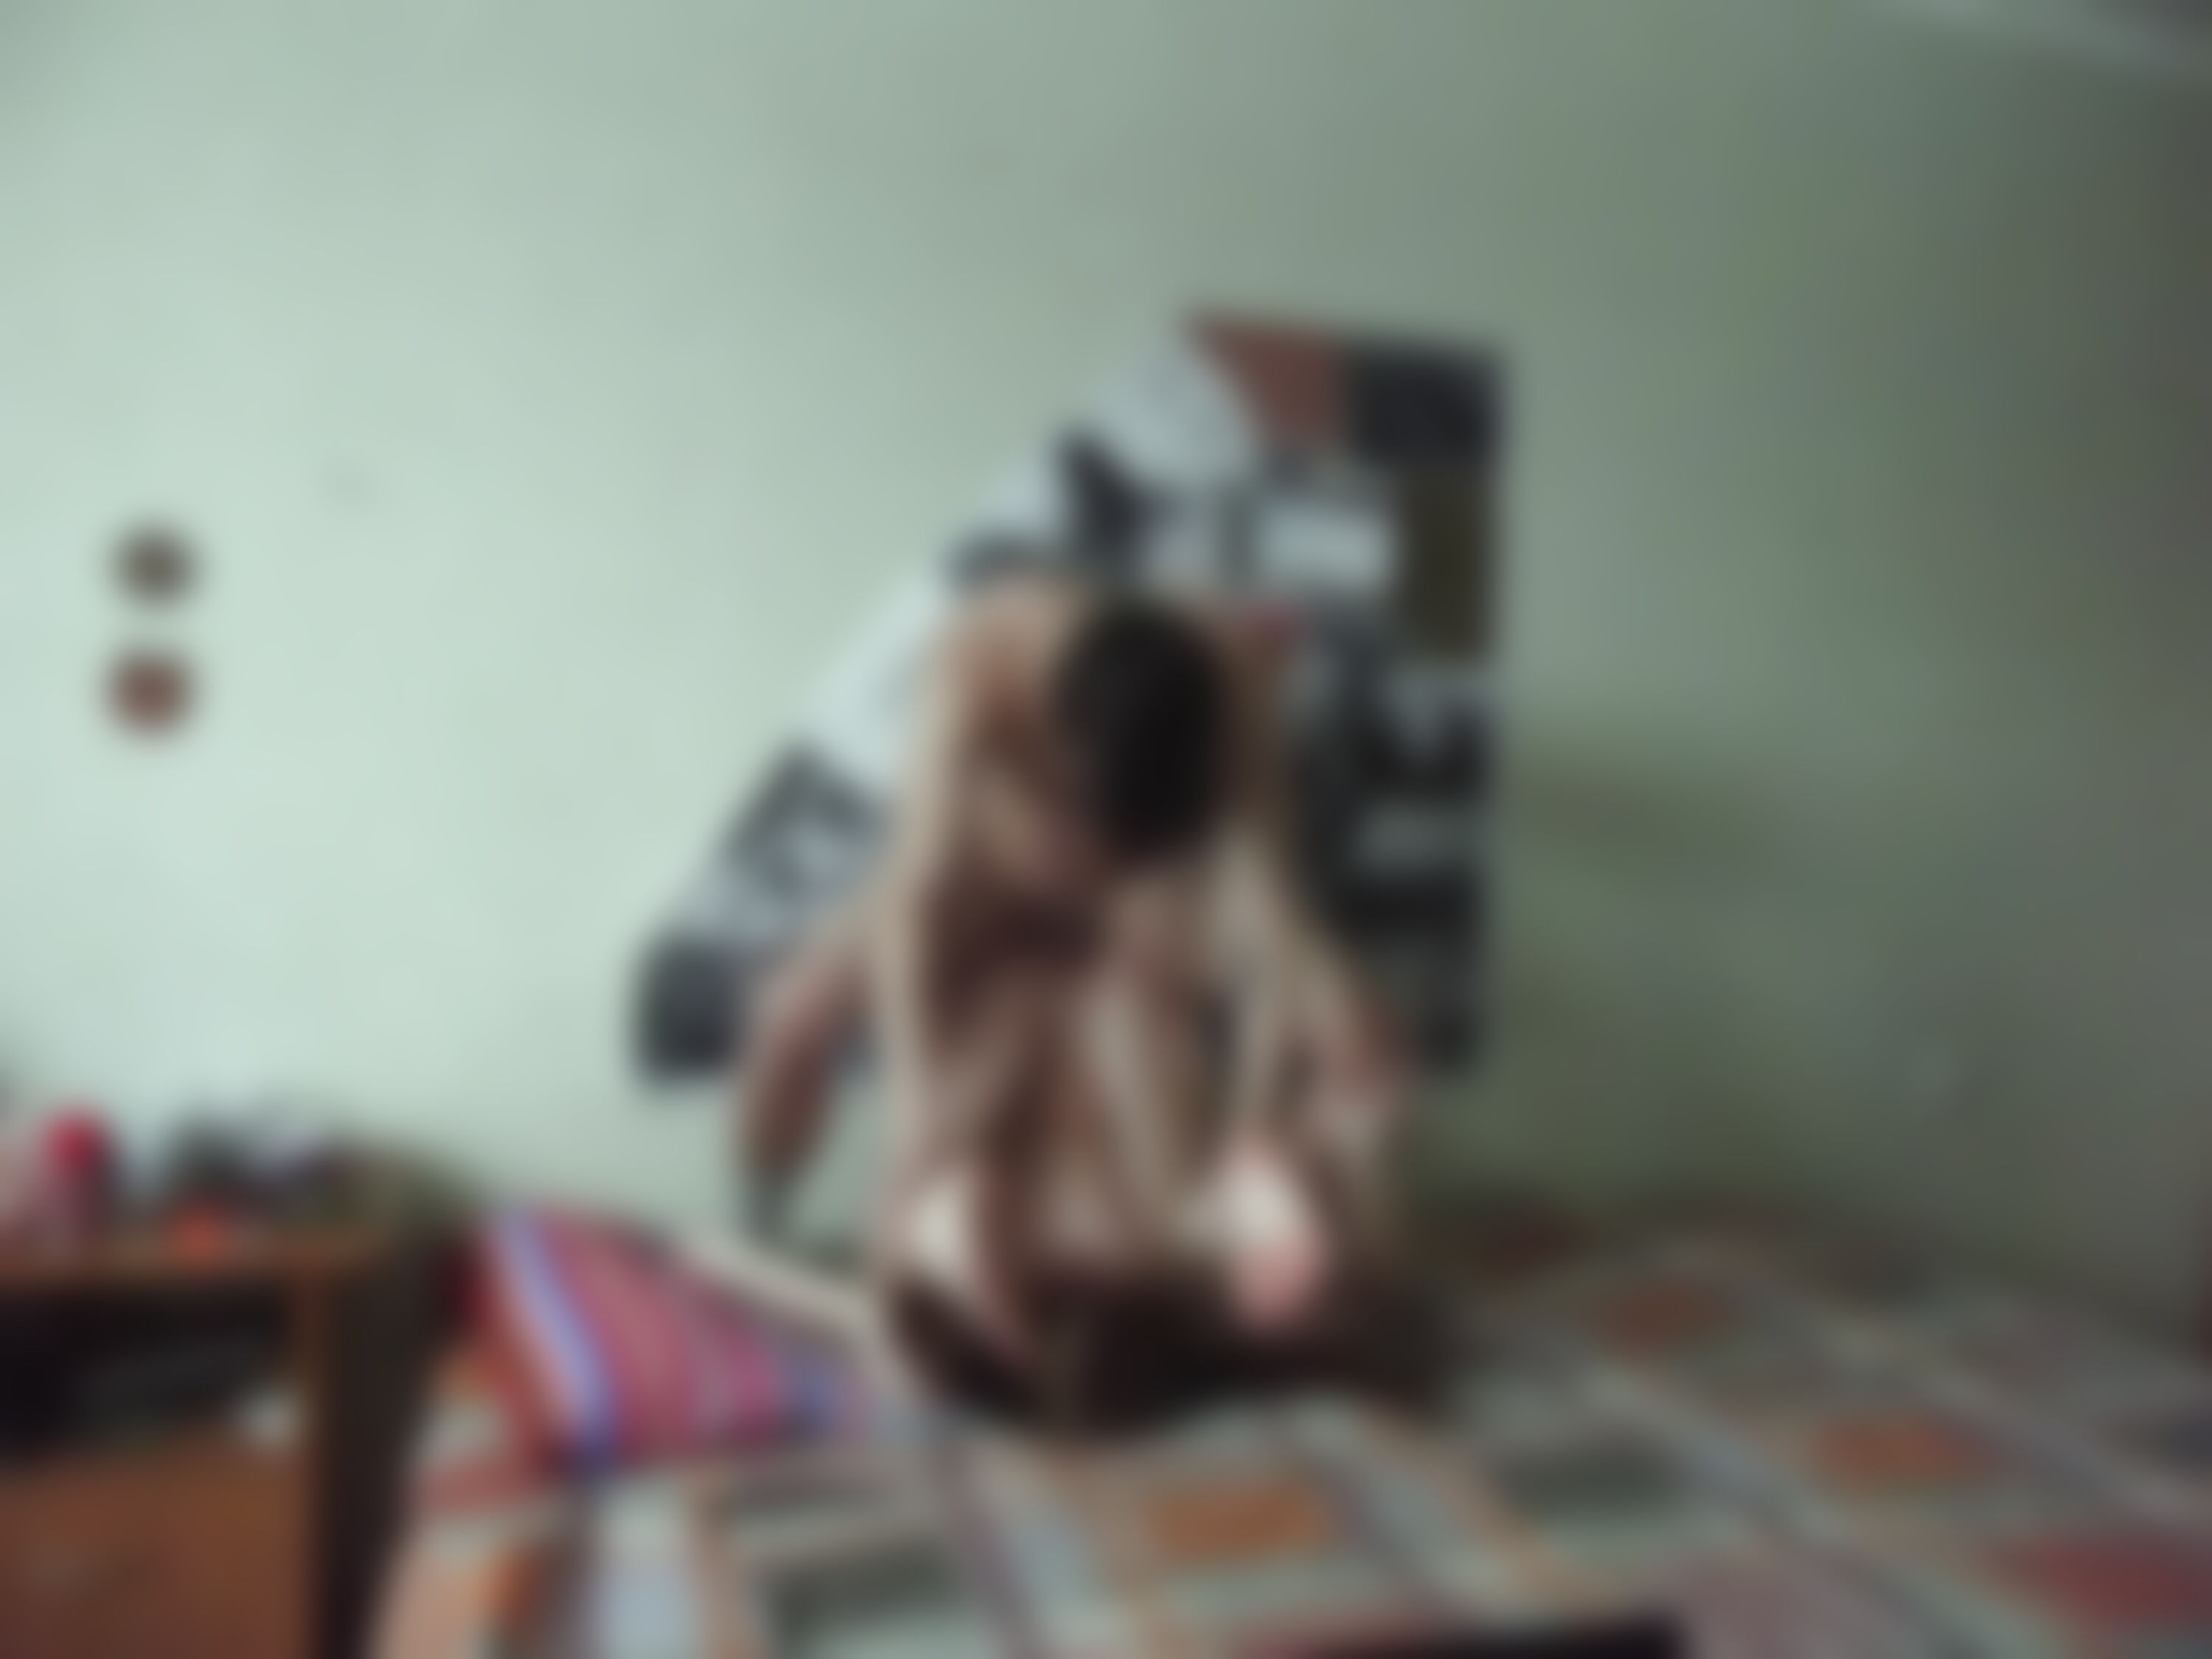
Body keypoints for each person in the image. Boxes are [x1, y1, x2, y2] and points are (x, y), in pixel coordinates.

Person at [725, 573, 1411, 1430]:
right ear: (1063, 733)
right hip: (993, 868)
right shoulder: (981, 656)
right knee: (788, 1014)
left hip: (1150, 887)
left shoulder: (1230, 668)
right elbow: (913, 902)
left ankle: (1272, 1245)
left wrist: (1253, 1115)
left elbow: (1270, 904)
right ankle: (759, 1211)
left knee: (1358, 1034)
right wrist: (916, 1113)